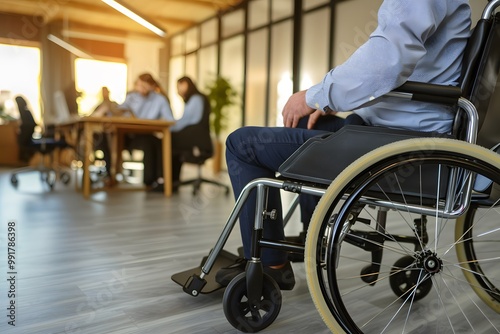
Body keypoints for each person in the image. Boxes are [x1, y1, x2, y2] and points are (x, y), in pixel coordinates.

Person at [215, 0, 472, 290]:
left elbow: (385, 63)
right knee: (305, 124)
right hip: (394, 128)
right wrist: (328, 101)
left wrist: (314, 95)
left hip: (398, 142)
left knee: (242, 144)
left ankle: (271, 263)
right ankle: (315, 236)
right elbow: (401, 67)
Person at [149, 76, 210, 192]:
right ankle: (172, 181)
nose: (177, 91)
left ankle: (164, 181)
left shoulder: (196, 99)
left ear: (185, 85)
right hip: (196, 137)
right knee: (172, 143)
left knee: (167, 142)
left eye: (178, 87)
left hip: (195, 139)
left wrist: (171, 126)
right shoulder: (195, 99)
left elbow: (188, 121)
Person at [118, 73, 175, 188]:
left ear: (152, 86)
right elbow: (118, 111)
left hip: (147, 134)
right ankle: (111, 175)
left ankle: (158, 181)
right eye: (139, 85)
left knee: (155, 143)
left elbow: (170, 120)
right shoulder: (131, 97)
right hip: (128, 134)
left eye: (144, 86)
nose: (141, 89)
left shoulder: (159, 99)